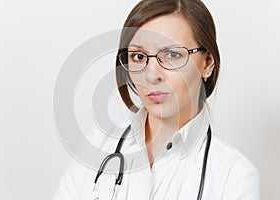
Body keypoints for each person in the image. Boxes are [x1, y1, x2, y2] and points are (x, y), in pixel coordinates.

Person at [53, 0, 260, 199]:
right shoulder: (100, 143)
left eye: (171, 54)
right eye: (139, 57)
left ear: (207, 63)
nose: (152, 75)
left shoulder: (235, 177)